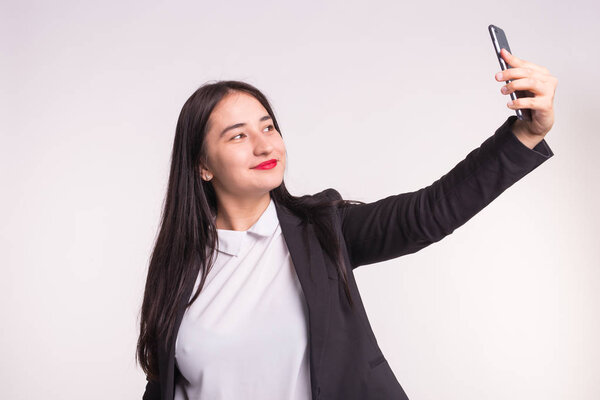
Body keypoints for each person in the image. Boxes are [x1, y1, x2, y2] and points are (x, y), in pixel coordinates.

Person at [137, 48, 557, 400]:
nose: (265, 144)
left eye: (268, 126)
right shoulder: (178, 267)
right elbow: (163, 385)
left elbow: (429, 213)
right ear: (202, 165)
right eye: (238, 135)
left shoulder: (322, 231)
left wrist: (524, 135)